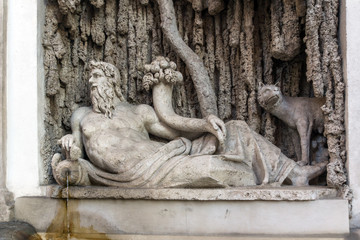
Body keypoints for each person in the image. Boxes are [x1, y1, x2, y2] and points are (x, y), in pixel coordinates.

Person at [52, 59, 327, 188]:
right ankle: (263, 174)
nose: (92, 83)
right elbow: (74, 148)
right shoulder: (82, 116)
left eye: (98, 77)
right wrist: (69, 145)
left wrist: (206, 124)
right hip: (141, 174)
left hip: (167, 156)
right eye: (91, 79)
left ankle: (294, 173)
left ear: (112, 83)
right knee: (214, 168)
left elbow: (173, 129)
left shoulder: (138, 111)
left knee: (237, 128)